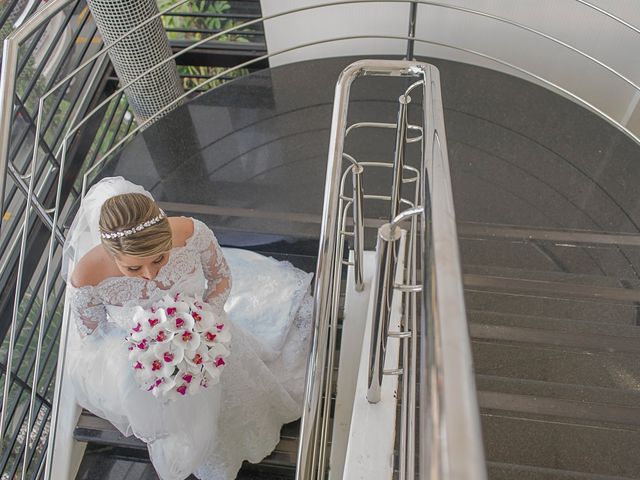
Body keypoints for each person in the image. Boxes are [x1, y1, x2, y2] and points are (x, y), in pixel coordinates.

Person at [62, 176, 313, 479]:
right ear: (110, 251)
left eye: (159, 259)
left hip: (211, 344)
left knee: (240, 402)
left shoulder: (192, 233)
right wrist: (147, 352)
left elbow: (220, 279)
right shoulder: (86, 277)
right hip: (153, 373)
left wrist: (207, 325)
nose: (149, 275)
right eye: (133, 268)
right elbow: (94, 336)